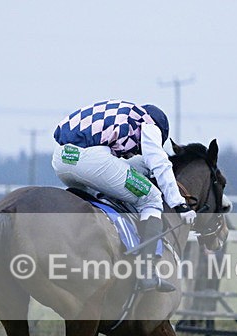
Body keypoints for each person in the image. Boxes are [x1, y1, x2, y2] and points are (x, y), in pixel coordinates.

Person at [51, 100, 196, 292]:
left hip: (61, 159)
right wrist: (179, 204)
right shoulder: (150, 125)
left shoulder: (127, 115)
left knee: (101, 199)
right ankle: (147, 271)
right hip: (90, 159)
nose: (136, 152)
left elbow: (121, 162)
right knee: (152, 198)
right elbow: (160, 163)